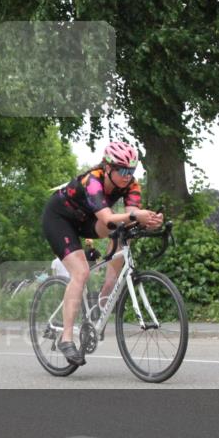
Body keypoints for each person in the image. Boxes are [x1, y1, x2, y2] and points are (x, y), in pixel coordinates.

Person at [41, 141, 164, 366]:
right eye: (123, 170)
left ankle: (104, 297)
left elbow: (132, 215)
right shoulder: (93, 180)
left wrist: (151, 221)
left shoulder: (131, 185)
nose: (128, 176)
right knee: (81, 273)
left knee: (126, 229)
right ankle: (67, 338)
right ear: (108, 168)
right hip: (59, 219)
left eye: (132, 171)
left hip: (87, 220)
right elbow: (107, 218)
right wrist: (138, 217)